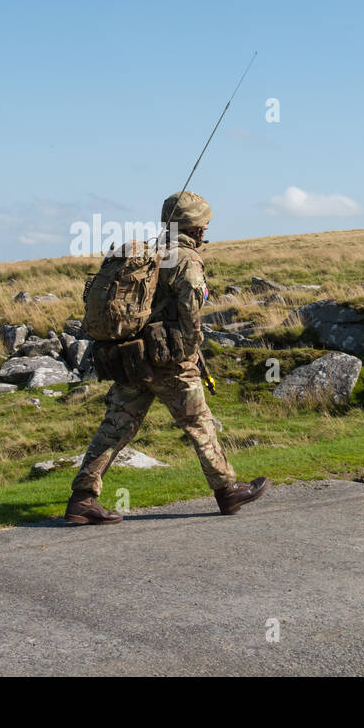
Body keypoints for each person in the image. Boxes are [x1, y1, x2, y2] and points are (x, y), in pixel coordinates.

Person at [65, 191, 269, 525]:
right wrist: (188, 355)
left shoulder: (149, 251)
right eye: (204, 224)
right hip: (169, 360)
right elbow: (191, 310)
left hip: (131, 358)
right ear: (197, 228)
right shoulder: (186, 259)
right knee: (199, 422)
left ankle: (82, 500)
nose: (206, 229)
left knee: (115, 427)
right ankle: (228, 490)